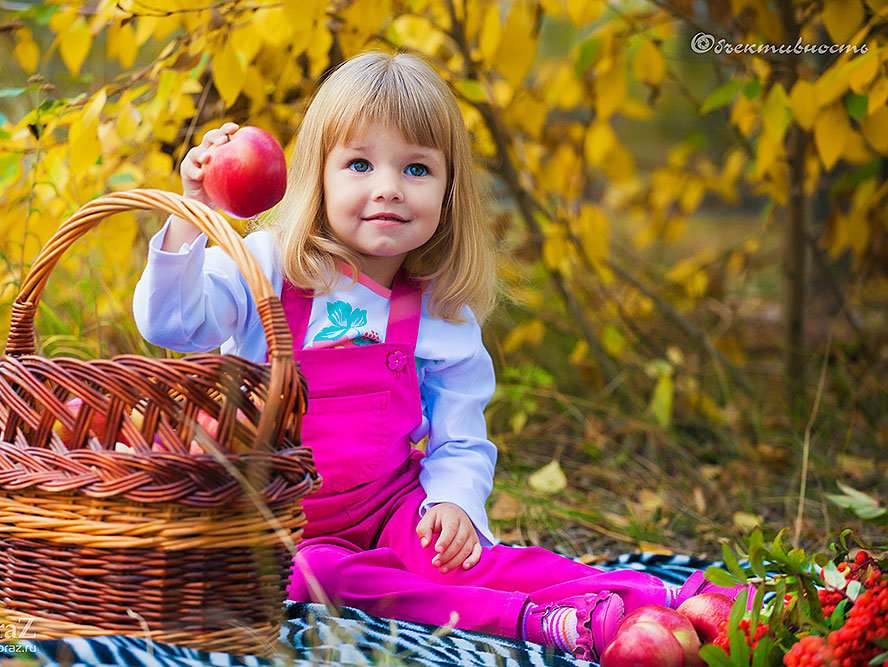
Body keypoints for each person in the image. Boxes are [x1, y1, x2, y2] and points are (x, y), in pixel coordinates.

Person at [133, 50, 743, 661]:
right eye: (360, 164)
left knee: (477, 562)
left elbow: (460, 437)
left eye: (418, 169)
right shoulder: (265, 267)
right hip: (276, 529)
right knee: (318, 580)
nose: (389, 189)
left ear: (450, 190)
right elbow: (172, 322)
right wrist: (195, 214)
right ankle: (543, 623)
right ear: (315, 177)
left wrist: (453, 501)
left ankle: (676, 597)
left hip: (389, 511)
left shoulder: (436, 312)